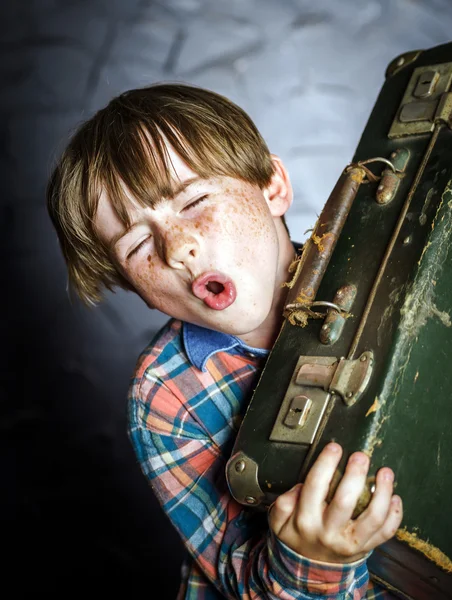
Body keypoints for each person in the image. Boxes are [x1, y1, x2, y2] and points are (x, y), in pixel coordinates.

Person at [47, 82, 403, 599]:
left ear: (273, 186)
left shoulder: (392, 271)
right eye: (139, 244)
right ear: (139, 291)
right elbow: (244, 581)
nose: (178, 248)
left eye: (194, 201)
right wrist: (315, 559)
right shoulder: (166, 397)